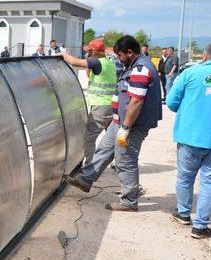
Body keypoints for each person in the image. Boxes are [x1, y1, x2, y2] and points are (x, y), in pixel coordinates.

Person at [65, 35, 162, 211]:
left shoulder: (141, 69)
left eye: (120, 55)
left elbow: (136, 101)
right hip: (120, 120)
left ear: (130, 52)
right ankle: (85, 179)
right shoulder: (133, 65)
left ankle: (129, 201)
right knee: (105, 148)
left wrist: (125, 127)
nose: (118, 58)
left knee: (125, 160)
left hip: (131, 125)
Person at [167, 43, 211, 239]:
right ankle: (200, 227)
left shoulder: (190, 74)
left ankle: (183, 214)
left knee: (185, 177)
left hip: (190, 137)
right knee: (210, 183)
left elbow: (172, 103)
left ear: (205, 56)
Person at [60, 39, 117, 165]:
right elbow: (89, 73)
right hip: (111, 105)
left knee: (90, 137)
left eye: (90, 51)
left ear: (95, 52)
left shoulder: (97, 62)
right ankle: (117, 162)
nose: (88, 53)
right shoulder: (108, 62)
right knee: (112, 137)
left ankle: (90, 165)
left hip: (101, 106)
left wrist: (63, 54)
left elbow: (74, 62)